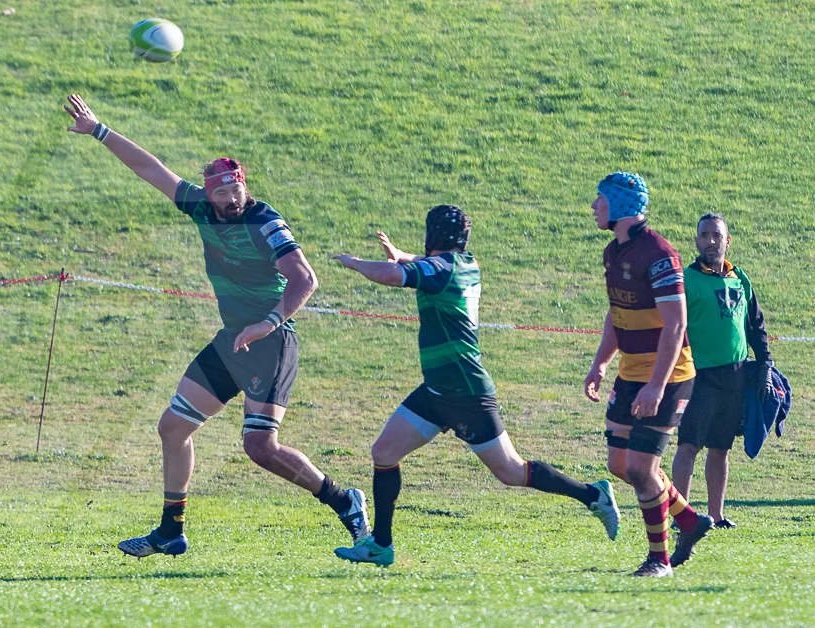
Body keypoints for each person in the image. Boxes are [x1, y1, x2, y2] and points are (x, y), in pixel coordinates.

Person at [62, 94, 368, 558]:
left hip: (271, 342)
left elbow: (305, 278)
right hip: (232, 343)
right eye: (221, 194)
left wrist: (267, 323)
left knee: (260, 447)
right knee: (172, 427)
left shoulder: (264, 221)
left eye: (235, 191)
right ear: (209, 195)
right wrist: (99, 130)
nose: (230, 200)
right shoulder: (200, 207)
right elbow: (149, 168)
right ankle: (171, 531)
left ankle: (344, 501)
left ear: (244, 187)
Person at [329, 205, 620, 566]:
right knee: (384, 453)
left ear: (433, 234)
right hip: (438, 390)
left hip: (465, 393)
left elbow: (393, 276)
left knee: (511, 471)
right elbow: (423, 264)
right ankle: (380, 545)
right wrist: (402, 255)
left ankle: (593, 495)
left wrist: (356, 263)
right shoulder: (465, 263)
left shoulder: (438, 269)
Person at [582, 172, 714, 577]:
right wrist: (601, 362)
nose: (594, 207)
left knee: (641, 469)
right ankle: (690, 520)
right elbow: (616, 313)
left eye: (601, 199)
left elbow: (676, 324)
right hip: (631, 373)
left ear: (620, 206)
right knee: (621, 464)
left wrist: (656, 385)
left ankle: (659, 560)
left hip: (669, 376)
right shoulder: (613, 252)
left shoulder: (659, 254)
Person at [671, 213, 774, 530]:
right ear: (696, 240)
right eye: (704, 235)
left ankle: (716, 516)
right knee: (688, 445)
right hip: (699, 376)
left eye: (716, 235)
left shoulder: (739, 278)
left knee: (721, 447)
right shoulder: (687, 280)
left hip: (735, 375)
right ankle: (681, 517)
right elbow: (673, 328)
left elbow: (756, 327)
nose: (710, 241)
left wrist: (765, 364)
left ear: (727, 241)